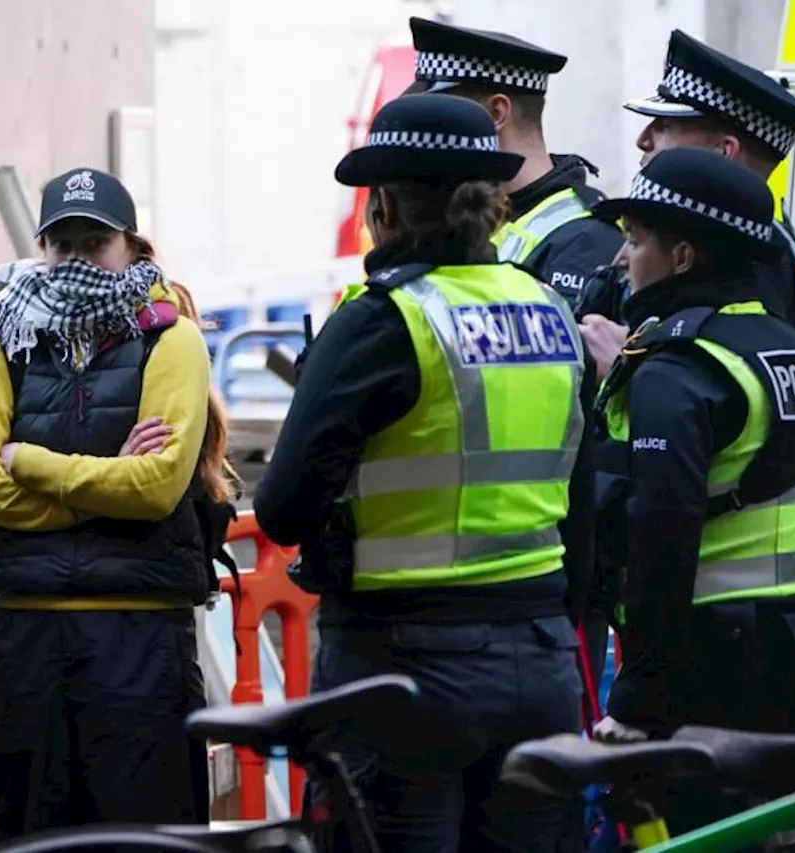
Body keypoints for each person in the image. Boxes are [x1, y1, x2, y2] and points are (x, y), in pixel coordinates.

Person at [254, 92, 591, 853]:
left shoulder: (382, 320)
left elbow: (281, 510)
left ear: (384, 210)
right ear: (493, 205)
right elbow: (585, 499)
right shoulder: (549, 311)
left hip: (404, 671)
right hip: (539, 663)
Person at [587, 147, 795, 832]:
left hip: (712, 666)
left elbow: (661, 539)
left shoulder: (680, 368)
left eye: (636, 240)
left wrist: (637, 699)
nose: (621, 259)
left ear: (681, 257)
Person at [0, 166, 217, 840]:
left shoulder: (171, 337)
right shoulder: (0, 333)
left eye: (93, 243)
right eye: (61, 245)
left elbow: (158, 488)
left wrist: (32, 464)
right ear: (41, 248)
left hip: (141, 643)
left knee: (145, 840)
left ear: (129, 244)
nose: (77, 261)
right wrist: (108, 486)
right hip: (28, 645)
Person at [579, 29, 795, 343]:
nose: (642, 140)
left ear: (723, 152)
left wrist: (623, 363)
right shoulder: (777, 254)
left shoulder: (750, 271)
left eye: (665, 126)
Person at [405, 17, 623, 307]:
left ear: (496, 114)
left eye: (444, 116)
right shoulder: (466, 216)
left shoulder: (585, 239)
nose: (433, 135)